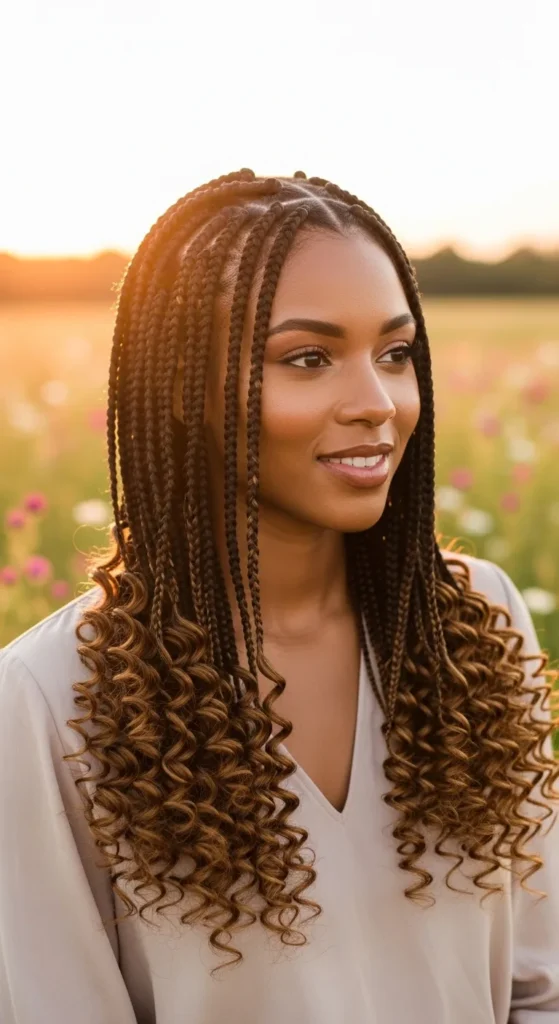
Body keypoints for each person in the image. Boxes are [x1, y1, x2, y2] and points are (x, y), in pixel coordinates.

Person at [1, 168, 558, 1024]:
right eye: (308, 358)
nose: (377, 403)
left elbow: (540, 979)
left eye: (396, 354)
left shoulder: (477, 621)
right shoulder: (46, 701)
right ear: (187, 389)